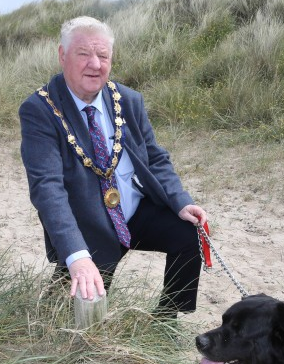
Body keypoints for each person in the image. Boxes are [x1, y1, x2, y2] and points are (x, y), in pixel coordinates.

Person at [19, 16, 207, 318]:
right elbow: (47, 189)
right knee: (69, 316)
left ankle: (166, 320)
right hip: (90, 225)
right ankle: (65, 293)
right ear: (62, 55)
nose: (95, 64)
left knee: (189, 233)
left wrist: (180, 201)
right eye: (83, 54)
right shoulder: (39, 110)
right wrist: (77, 257)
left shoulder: (128, 100)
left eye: (103, 55)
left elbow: (155, 158)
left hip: (133, 211)